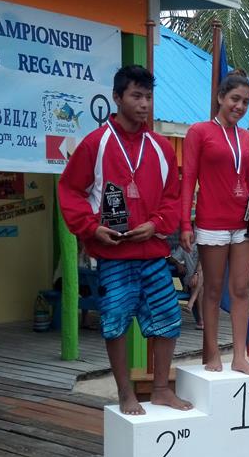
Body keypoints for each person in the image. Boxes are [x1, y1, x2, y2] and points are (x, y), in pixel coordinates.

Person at [58, 65, 192, 416]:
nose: (144, 104)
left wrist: (157, 224)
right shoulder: (96, 143)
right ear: (117, 98)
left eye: (148, 96)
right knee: (115, 322)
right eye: (136, 96)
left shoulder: (161, 147)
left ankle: (161, 389)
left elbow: (172, 197)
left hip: (152, 252)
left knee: (168, 318)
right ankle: (124, 394)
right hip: (114, 256)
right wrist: (90, 228)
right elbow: (70, 190)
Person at [180, 70, 249, 375]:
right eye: (234, 99)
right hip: (212, 221)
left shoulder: (245, 137)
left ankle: (240, 357)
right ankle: (212, 353)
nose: (240, 106)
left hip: (243, 222)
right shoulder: (199, 131)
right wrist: (184, 224)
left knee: (241, 289)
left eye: (245, 101)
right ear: (220, 98)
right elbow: (188, 179)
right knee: (214, 289)